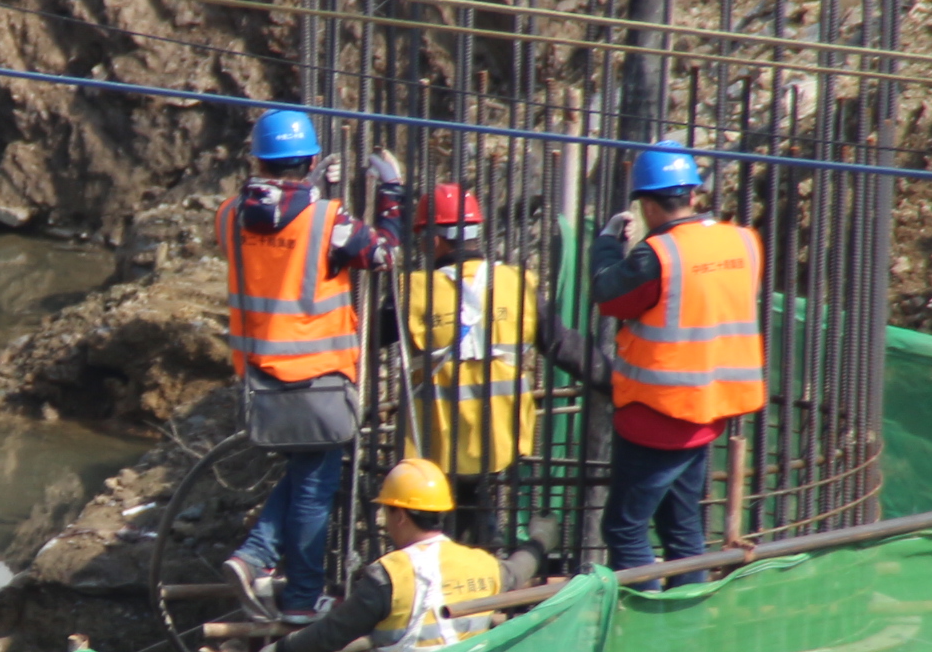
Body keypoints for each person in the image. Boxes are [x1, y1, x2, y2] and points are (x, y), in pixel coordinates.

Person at [220, 107, 402, 623]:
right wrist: (392, 194)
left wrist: (308, 189)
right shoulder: (328, 220)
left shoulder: (229, 215)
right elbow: (384, 253)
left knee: (305, 471)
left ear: (257, 160)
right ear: (312, 159)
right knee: (314, 487)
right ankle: (299, 598)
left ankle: (255, 555)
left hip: (259, 375)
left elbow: (274, 230)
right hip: (318, 376)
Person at [397, 182, 604, 559]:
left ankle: (463, 576)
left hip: (440, 438)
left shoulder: (415, 290)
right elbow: (562, 344)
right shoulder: (514, 282)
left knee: (445, 524)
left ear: (433, 240)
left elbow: (367, 333)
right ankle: (490, 571)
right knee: (478, 513)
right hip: (502, 434)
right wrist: (617, 379)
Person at [590, 139, 767, 580]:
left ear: (648, 206)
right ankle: (689, 613)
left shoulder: (659, 255)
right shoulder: (743, 242)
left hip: (659, 416)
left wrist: (608, 243)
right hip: (708, 412)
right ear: (692, 194)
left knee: (624, 529)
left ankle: (643, 617)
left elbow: (609, 295)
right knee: (682, 531)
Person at [245, 458, 503, 652]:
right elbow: (518, 569)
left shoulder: (390, 574)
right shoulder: (485, 564)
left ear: (400, 516)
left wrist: (283, 651)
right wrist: (529, 548)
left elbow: (334, 632)